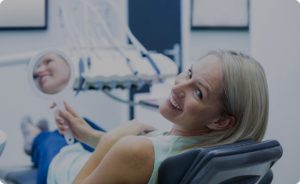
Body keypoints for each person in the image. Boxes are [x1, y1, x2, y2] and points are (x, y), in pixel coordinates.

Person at [21, 50, 269, 184]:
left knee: (51, 141)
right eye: (189, 72)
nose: (177, 86)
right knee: (87, 126)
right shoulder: (212, 151)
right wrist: (91, 136)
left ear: (221, 121)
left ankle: (33, 137)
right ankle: (71, 133)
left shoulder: (136, 150)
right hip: (114, 163)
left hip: (64, 175)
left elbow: (130, 155)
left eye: (197, 92)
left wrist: (111, 141)